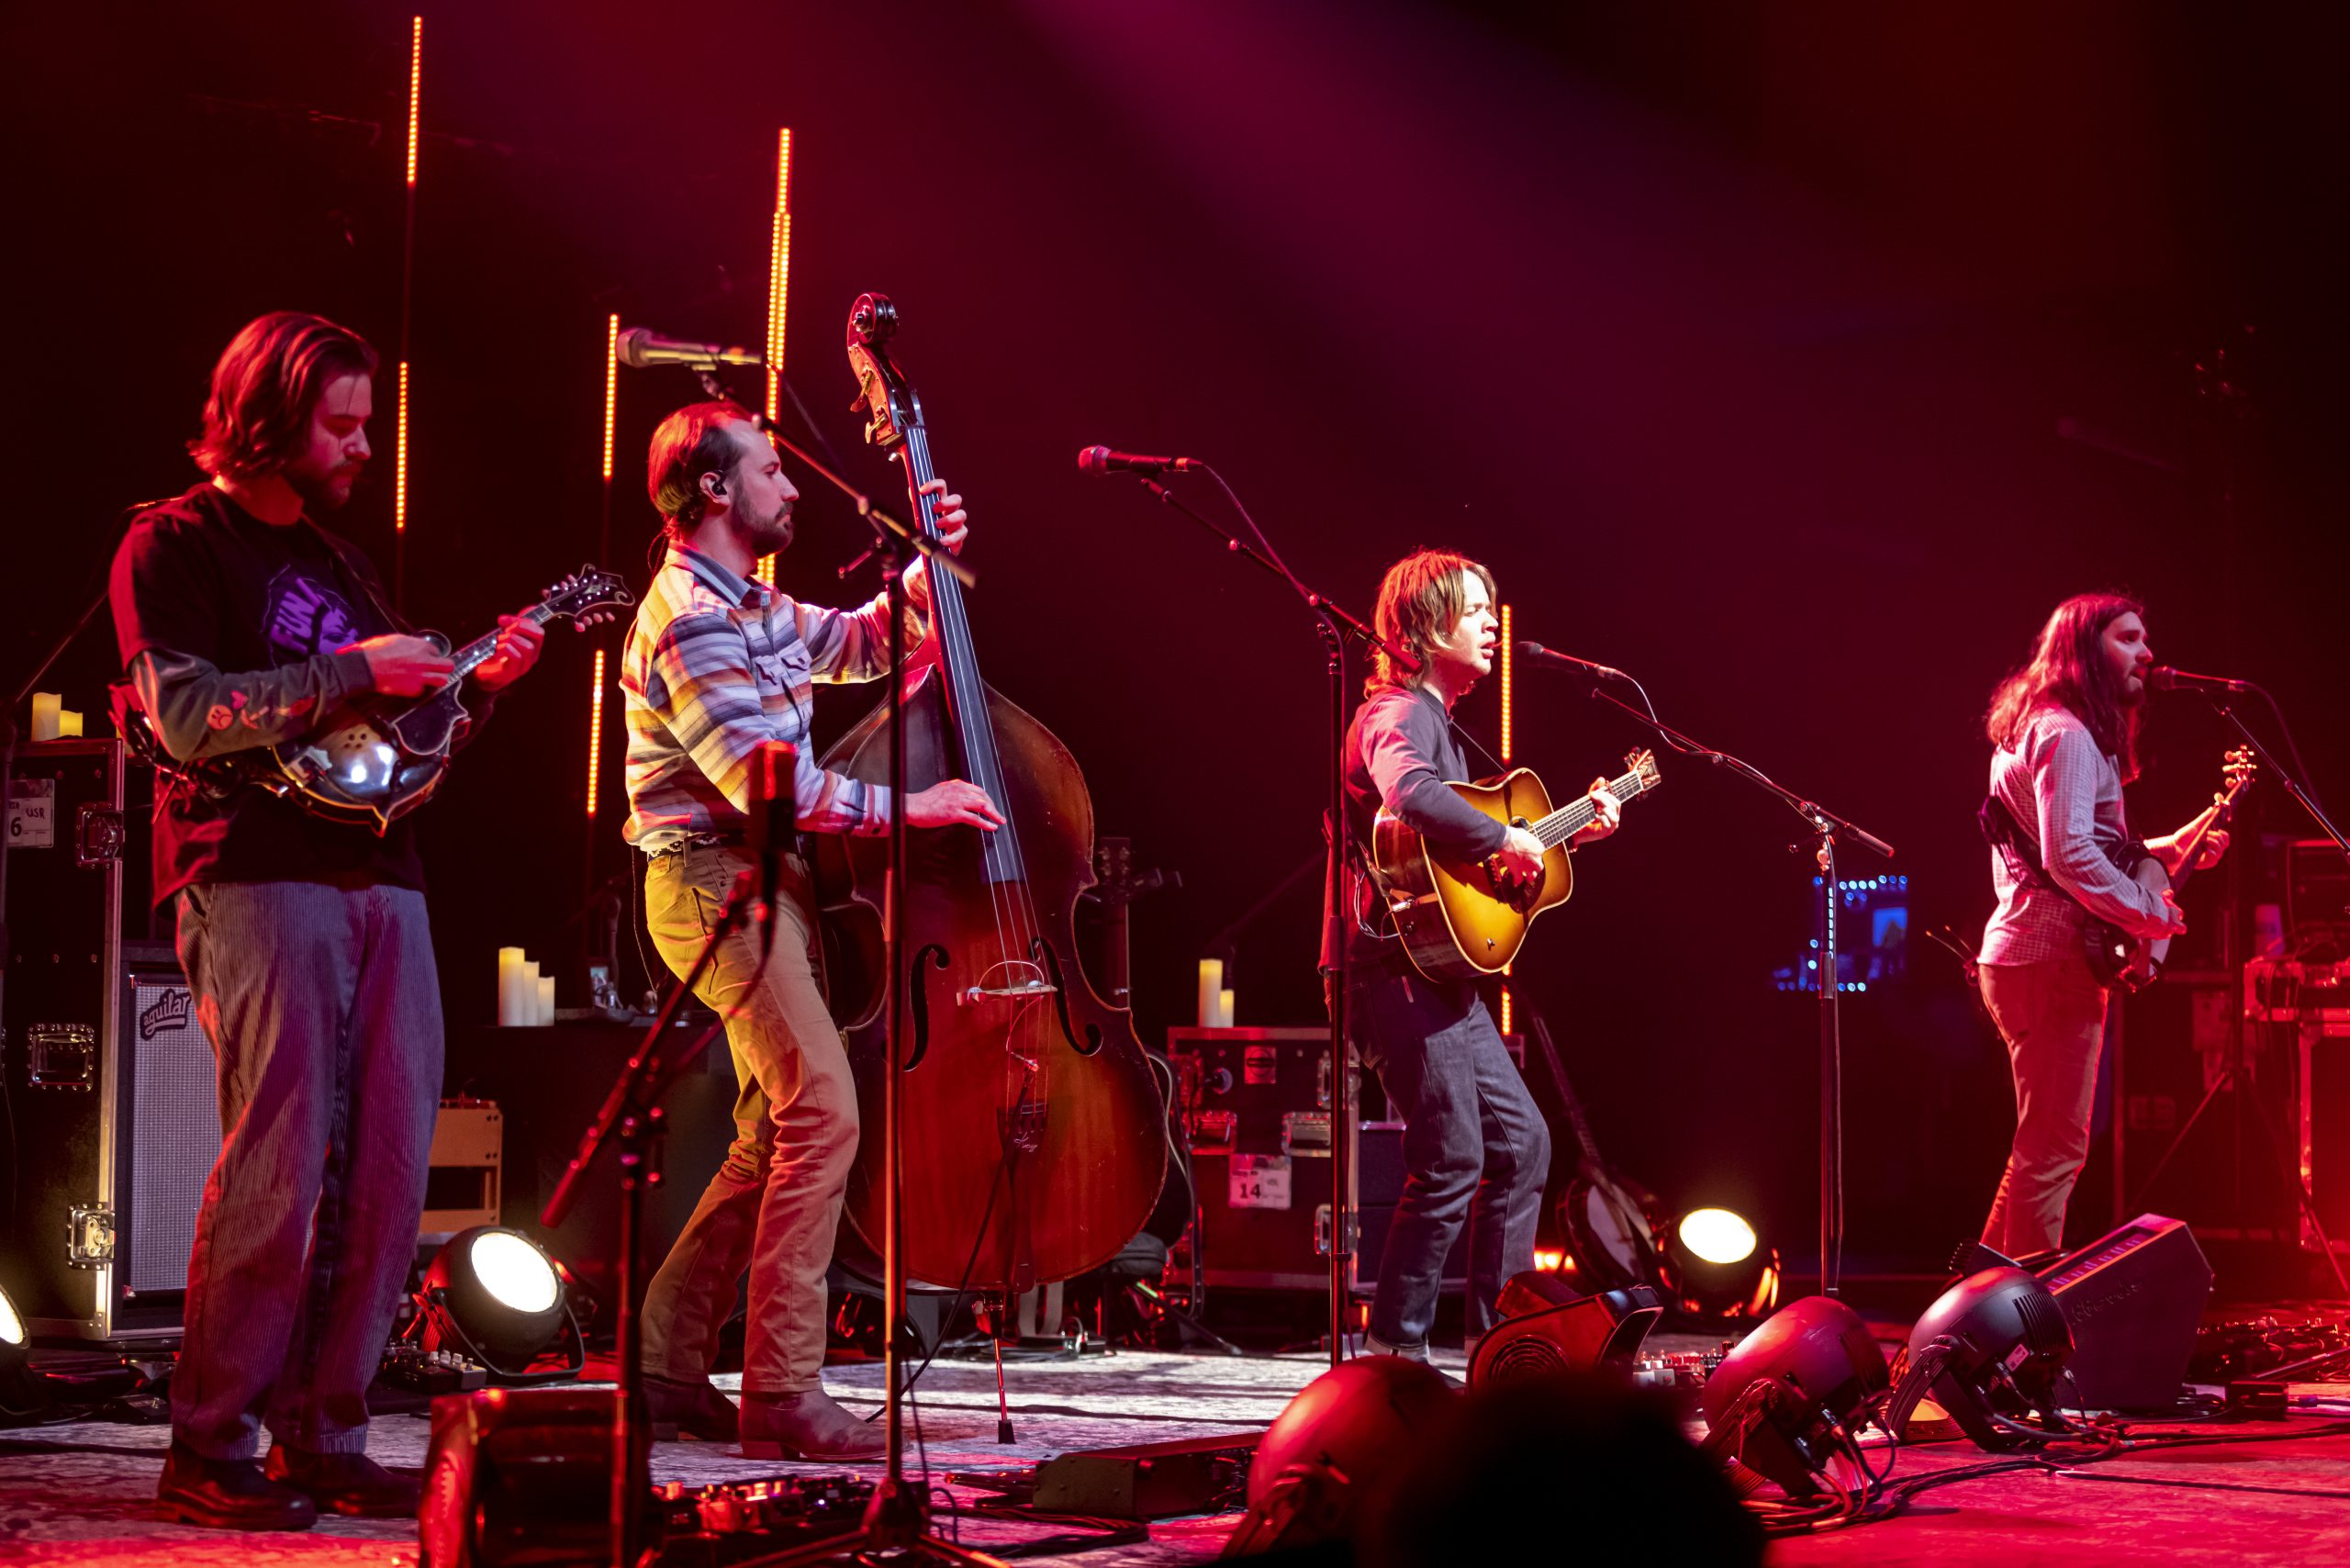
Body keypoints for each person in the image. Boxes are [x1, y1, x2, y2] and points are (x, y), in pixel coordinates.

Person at [110, 311, 545, 1530]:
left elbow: (397, 760)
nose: (364, 446)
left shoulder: (346, 565)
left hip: (382, 876)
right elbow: (186, 720)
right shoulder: (173, 542)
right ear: (269, 418)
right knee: (284, 1159)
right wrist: (357, 669)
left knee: (393, 1163)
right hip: (251, 868)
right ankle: (211, 1447)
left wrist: (475, 695)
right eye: (341, 424)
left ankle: (326, 1436)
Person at [619, 400, 1001, 1459]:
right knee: (823, 1110)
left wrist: (925, 568)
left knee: (773, 1128)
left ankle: (663, 1360)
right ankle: (781, 1389)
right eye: (772, 471)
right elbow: (754, 777)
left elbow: (868, 643)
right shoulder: (690, 614)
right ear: (714, 490)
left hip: (761, 879)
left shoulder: (755, 602)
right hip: (711, 878)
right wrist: (908, 807)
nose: (790, 488)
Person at [1329, 548, 1621, 1361]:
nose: (1490, 624)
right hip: (1394, 973)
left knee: (1522, 1146)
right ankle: (1396, 1356)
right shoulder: (1400, 712)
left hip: (1435, 974)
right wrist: (1504, 835)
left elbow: (1457, 863)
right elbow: (1409, 795)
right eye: (1472, 611)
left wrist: (1563, 834)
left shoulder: (1440, 722)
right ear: (1424, 630)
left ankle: (1501, 1350)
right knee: (1453, 1154)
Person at [1975, 592, 2226, 1258]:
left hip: (2029, 955)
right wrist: (2152, 913)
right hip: (2051, 959)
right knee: (2055, 1153)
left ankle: (1977, 1310)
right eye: (2129, 638)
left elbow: (2084, 847)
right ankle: (2019, 1335)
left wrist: (2169, 851)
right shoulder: (2067, 734)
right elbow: (2070, 855)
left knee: (2039, 1149)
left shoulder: (2040, 727)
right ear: (2086, 650)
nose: (2147, 653)